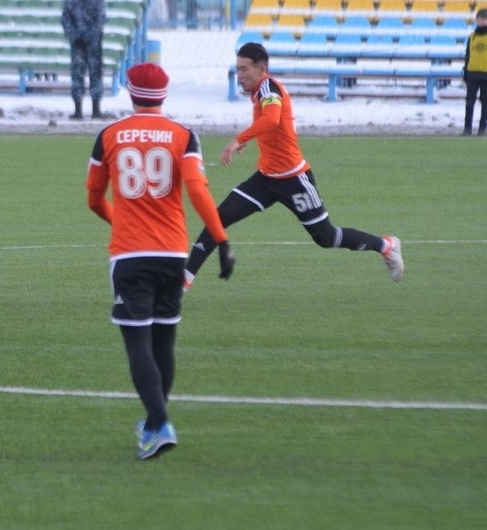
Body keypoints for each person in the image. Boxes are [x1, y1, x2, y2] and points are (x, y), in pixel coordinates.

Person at [85, 62, 235, 460]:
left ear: (130, 92)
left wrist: (120, 221)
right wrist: (221, 240)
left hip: (130, 254)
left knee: (138, 342)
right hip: (172, 254)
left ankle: (159, 421)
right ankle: (153, 425)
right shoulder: (184, 135)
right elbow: (198, 191)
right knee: (164, 340)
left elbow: (94, 198)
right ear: (164, 95)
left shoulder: (109, 135)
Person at [185, 43, 404, 289]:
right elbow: (270, 124)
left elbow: (272, 118)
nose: (240, 75)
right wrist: (251, 136)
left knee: (327, 237)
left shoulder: (269, 87)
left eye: (244, 69)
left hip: (294, 179)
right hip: (265, 180)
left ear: (261, 69)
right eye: (238, 69)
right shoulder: (259, 91)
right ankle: (184, 281)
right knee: (217, 218)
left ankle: (386, 245)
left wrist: (239, 139)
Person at [61, 0, 106, 120]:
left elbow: (101, 19)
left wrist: (89, 36)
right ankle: (78, 110)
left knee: (95, 74)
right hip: (78, 44)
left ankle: (96, 109)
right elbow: (65, 19)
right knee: (77, 76)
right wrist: (75, 36)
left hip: (93, 44)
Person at [462, 9, 487, 136]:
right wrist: (465, 70)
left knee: (485, 102)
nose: (480, 22)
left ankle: (482, 128)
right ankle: (467, 128)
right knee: (469, 101)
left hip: (486, 73)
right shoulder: (472, 37)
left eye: (483, 20)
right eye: (479, 20)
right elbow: (468, 55)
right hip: (473, 73)